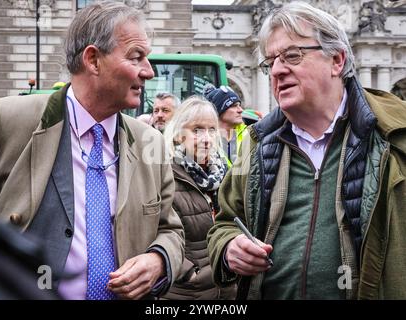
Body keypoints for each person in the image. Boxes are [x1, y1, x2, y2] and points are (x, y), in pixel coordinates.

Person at [207, 1, 406, 300]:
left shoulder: (396, 137)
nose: (276, 70)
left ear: (337, 60)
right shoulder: (257, 143)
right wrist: (229, 248)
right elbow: (224, 222)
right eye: (270, 61)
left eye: (292, 55)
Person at [0, 1, 184, 300]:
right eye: (137, 57)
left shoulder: (150, 142)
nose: (149, 72)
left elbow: (172, 231)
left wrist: (158, 259)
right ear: (93, 60)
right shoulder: (8, 121)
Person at [162, 96, 235, 300]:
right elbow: (153, 232)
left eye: (212, 129)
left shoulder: (225, 174)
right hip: (186, 292)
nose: (206, 138)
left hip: (225, 291)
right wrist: (189, 273)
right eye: (196, 130)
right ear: (178, 135)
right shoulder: (165, 176)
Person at [203, 85, 246, 168]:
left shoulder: (250, 134)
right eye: (234, 106)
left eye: (239, 105)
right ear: (218, 110)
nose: (240, 110)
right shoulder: (204, 140)